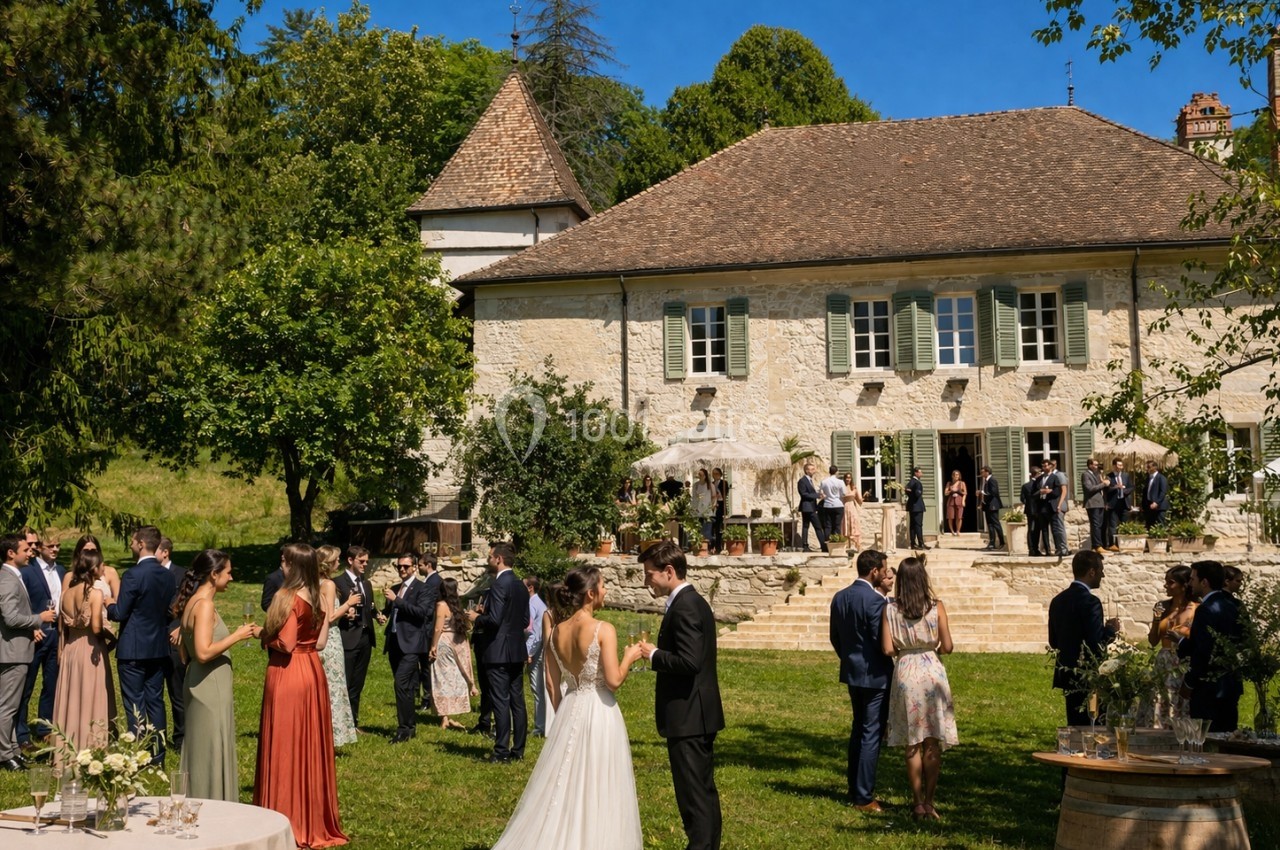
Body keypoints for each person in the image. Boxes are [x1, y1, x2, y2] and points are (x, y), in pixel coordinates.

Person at [490, 567, 644, 849]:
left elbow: (551, 684)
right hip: (599, 710)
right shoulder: (603, 629)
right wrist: (630, 656)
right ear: (591, 594)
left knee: (567, 780)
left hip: (570, 706)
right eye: (603, 586)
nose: (606, 591)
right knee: (599, 779)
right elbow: (613, 681)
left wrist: (563, 716)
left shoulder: (556, 631)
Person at [254, 543, 348, 849]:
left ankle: (284, 817)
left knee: (285, 743)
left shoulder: (287, 596)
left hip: (288, 671)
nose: (281, 565)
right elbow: (320, 643)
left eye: (284, 561)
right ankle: (312, 817)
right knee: (309, 743)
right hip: (312, 670)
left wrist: (264, 635)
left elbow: (287, 643)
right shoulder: (319, 595)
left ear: (293, 566)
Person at [638, 541, 724, 850]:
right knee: (702, 792)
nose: (646, 581)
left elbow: (689, 662)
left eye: (649, 574)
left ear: (669, 571)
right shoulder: (691, 601)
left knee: (693, 798)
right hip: (695, 714)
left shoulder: (686, 605)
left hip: (689, 716)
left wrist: (654, 655)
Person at [176, 549, 259, 801]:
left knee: (201, 747)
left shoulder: (191, 601)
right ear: (214, 574)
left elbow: (184, 652)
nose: (231, 578)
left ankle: (199, 799)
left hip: (197, 682)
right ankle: (213, 803)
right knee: (211, 747)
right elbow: (202, 652)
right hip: (210, 687)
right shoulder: (204, 605)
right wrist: (237, 635)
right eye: (228, 572)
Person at [881, 556, 957, 820]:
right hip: (932, 670)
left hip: (906, 670)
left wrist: (905, 649)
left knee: (912, 741)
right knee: (932, 740)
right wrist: (931, 648)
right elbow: (947, 646)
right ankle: (930, 801)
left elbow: (887, 648)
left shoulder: (890, 609)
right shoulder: (936, 607)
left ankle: (916, 802)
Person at [829, 549, 892, 812]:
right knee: (871, 733)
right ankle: (864, 796)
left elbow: (835, 636)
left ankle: (854, 787)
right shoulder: (876, 601)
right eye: (884, 569)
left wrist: (848, 658)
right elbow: (881, 640)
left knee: (858, 729)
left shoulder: (840, 596)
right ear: (874, 571)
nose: (886, 574)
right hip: (875, 675)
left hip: (852, 672)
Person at [107, 525, 176, 764]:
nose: (130, 544)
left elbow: (120, 613)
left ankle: (137, 755)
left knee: (134, 703)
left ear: (141, 544)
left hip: (133, 649)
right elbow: (169, 610)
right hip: (157, 647)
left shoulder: (133, 575)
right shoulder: (167, 575)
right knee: (155, 701)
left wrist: (108, 603)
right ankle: (158, 754)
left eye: (133, 541)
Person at [50, 546, 115, 770]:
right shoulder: (95, 594)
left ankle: (66, 752)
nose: (104, 568)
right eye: (101, 564)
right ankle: (91, 753)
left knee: (72, 698)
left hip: (71, 649)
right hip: (90, 648)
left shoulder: (66, 593)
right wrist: (111, 637)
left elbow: (62, 628)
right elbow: (96, 627)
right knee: (91, 696)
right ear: (94, 568)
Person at [467, 542, 529, 763]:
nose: (488, 560)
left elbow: (494, 620)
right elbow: (524, 620)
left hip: (497, 651)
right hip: (516, 649)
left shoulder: (498, 585)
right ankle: (518, 749)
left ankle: (501, 750)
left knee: (500, 700)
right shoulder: (521, 585)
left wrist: (476, 617)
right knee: (517, 701)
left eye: (490, 557)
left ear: (499, 559)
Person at [1, 534, 55, 771]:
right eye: (25, 549)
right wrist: (38, 619)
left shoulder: (15, 576)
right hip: (12, 652)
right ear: (11, 553)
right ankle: (4, 755)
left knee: (12, 706)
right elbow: (11, 617)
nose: (30, 552)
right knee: (7, 707)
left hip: (18, 651)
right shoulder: (7, 579)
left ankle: (13, 749)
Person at [1048, 550, 1120, 725]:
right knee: (1095, 724)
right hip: (1089, 673)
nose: (1103, 575)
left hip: (1067, 672)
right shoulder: (1090, 602)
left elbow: (1053, 641)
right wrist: (1111, 630)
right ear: (1092, 572)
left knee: (1075, 724)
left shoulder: (1058, 600)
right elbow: (1096, 643)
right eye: (1101, 570)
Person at [1178, 560, 1243, 732]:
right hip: (1231, 683)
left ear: (1204, 582)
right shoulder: (1234, 605)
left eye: (1193, 579)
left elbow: (1204, 649)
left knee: (1205, 736)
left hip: (1208, 686)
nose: (1189, 583)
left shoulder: (1206, 609)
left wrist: (1189, 683)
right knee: (1226, 735)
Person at [382, 553, 435, 743]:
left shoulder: (424, 588)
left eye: (406, 566)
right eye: (399, 566)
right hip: (395, 643)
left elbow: (422, 613)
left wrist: (397, 600)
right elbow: (391, 611)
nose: (402, 569)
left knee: (401, 683)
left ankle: (403, 729)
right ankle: (410, 726)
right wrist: (382, 615)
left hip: (412, 645)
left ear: (414, 567)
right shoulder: (396, 588)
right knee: (408, 687)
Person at [18, 532, 63, 750]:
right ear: (40, 548)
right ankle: (20, 734)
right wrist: (33, 626)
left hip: (56, 635)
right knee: (26, 687)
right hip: (35, 634)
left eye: (58, 546)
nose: (55, 549)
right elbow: (21, 601)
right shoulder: (27, 570)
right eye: (50, 546)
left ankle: (45, 729)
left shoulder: (61, 571)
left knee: (51, 683)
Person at [315, 546, 358, 748]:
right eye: (336, 560)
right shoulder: (328, 584)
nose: (339, 563)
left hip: (317, 637)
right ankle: (331, 737)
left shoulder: (311, 582)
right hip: (330, 638)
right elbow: (329, 616)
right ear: (328, 563)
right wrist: (348, 604)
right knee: (333, 686)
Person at [1146, 566, 1197, 728]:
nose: (1166, 585)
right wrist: (1156, 619)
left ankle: (1180, 730)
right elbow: (1153, 641)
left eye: (1171, 582)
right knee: (1160, 696)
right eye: (1166, 581)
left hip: (1183, 659)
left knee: (1180, 699)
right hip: (1164, 659)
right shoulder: (1162, 606)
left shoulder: (1196, 608)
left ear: (1184, 585)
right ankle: (1158, 729)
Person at [333, 545, 376, 729]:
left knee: (358, 682)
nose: (365, 564)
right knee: (345, 681)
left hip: (365, 637)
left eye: (367, 561)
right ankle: (340, 723)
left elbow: (369, 607)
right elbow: (331, 610)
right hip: (347, 636)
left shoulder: (366, 584)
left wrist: (377, 615)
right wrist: (345, 614)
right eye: (361, 561)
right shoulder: (337, 583)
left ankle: (353, 722)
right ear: (350, 560)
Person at [430, 577, 477, 731]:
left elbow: (438, 628)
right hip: (456, 641)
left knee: (441, 678)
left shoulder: (441, 605)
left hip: (444, 641)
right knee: (454, 676)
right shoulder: (456, 605)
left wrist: (433, 645)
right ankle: (450, 712)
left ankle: (444, 715)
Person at [157, 537, 187, 752]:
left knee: (177, 691)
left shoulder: (181, 575)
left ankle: (181, 737)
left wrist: (182, 628)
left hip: (175, 637)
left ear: (165, 552)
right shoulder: (148, 574)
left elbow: (187, 604)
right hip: (154, 637)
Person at [524, 576, 549, 736]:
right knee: (541, 688)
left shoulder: (532, 604)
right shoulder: (539, 603)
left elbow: (533, 632)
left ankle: (540, 726)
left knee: (537, 689)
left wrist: (528, 653)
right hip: (540, 649)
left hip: (535, 650)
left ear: (530, 587)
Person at [1041, 459, 1068, 557]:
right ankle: (1058, 548)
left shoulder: (1059, 475)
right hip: (1049, 506)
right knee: (1055, 529)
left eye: (1052, 464)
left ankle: (1063, 549)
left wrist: (1059, 505)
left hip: (1057, 505)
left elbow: (1063, 491)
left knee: (1059, 528)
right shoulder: (1044, 477)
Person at [1080, 458, 1109, 553]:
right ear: (1090, 465)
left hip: (1100, 502)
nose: (1097, 467)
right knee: (1096, 525)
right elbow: (1089, 488)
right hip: (1092, 503)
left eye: (1097, 465)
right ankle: (1097, 545)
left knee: (1100, 525)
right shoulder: (1086, 474)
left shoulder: (1096, 474)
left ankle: (1098, 545)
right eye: (1095, 465)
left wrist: (1104, 481)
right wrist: (1103, 484)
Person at [798, 463, 827, 552]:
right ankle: (823, 546)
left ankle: (805, 545)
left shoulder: (809, 480)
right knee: (817, 526)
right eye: (812, 469)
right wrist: (817, 495)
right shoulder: (802, 481)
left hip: (810, 507)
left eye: (814, 469)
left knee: (806, 526)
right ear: (807, 470)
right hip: (808, 507)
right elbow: (804, 494)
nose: (814, 471)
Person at [977, 465, 1004, 551]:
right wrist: (982, 503)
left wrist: (981, 492)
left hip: (993, 505)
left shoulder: (992, 480)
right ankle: (992, 543)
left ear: (987, 472)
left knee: (996, 524)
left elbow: (994, 492)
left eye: (982, 472)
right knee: (990, 524)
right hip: (987, 505)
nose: (981, 474)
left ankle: (1002, 542)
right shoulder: (985, 481)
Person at [1106, 458, 1132, 551]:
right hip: (1113, 503)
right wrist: (1115, 487)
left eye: (1121, 465)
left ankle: (1122, 543)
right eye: (1118, 465)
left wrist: (1126, 491)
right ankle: (1112, 544)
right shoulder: (1109, 476)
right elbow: (1106, 489)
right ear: (1114, 466)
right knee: (1113, 525)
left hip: (1124, 503)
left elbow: (1131, 487)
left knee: (1124, 524)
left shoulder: (1126, 475)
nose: (1120, 467)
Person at [819, 465, 846, 544]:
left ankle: (828, 543)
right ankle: (837, 543)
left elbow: (821, 493)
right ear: (836, 472)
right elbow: (844, 493)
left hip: (827, 504)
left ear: (829, 472)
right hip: (838, 504)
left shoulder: (824, 482)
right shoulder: (840, 482)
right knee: (837, 525)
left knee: (828, 525)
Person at [691, 469, 717, 549]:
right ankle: (699, 547)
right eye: (698, 474)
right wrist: (693, 508)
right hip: (697, 511)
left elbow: (714, 497)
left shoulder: (710, 485)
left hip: (707, 511)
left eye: (701, 475)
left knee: (707, 531)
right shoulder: (696, 485)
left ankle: (709, 547)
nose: (699, 476)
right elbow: (694, 498)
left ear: (705, 476)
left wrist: (712, 506)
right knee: (698, 531)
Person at [1021, 465, 1044, 556]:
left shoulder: (1025, 486)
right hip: (1038, 509)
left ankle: (1031, 549)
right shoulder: (1039, 485)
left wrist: (1029, 503)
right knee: (1037, 530)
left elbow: (1022, 499)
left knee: (1030, 529)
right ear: (1037, 474)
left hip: (1029, 509)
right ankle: (1035, 549)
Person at [840, 473, 864, 551]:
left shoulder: (854, 487)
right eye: (846, 478)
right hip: (844, 507)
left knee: (854, 524)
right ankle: (845, 545)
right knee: (845, 524)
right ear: (844, 478)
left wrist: (863, 497)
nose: (848, 479)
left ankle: (855, 545)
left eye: (849, 478)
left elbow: (859, 500)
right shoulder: (842, 487)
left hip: (852, 507)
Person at [905, 467, 927, 550]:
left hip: (912, 506)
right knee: (918, 525)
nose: (922, 474)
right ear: (916, 473)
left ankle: (913, 544)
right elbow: (917, 494)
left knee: (913, 526)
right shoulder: (917, 483)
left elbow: (907, 490)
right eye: (920, 472)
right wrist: (914, 492)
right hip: (917, 507)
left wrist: (910, 491)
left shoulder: (910, 482)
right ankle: (921, 543)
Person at [1144, 461, 1170, 529]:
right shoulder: (1148, 478)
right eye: (1146, 467)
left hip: (1159, 506)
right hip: (1149, 505)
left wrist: (1156, 502)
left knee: (1160, 524)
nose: (1147, 469)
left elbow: (1163, 492)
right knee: (1149, 525)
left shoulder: (1161, 478)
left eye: (1148, 467)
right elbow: (1145, 492)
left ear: (1155, 467)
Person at [711, 468, 730, 555]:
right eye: (713, 473)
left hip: (720, 507)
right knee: (712, 528)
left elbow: (724, 494)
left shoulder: (724, 483)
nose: (714, 475)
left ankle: (719, 547)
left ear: (720, 474)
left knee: (719, 528)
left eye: (716, 473)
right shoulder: (711, 484)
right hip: (712, 507)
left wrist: (717, 493)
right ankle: (712, 547)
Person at [943, 470, 966, 537]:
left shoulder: (962, 483)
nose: (956, 476)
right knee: (950, 517)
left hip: (959, 501)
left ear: (959, 476)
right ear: (952, 476)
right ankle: (952, 531)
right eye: (954, 475)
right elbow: (945, 493)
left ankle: (958, 531)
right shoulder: (949, 483)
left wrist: (963, 501)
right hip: (951, 501)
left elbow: (965, 493)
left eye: (957, 475)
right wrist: (950, 490)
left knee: (959, 517)